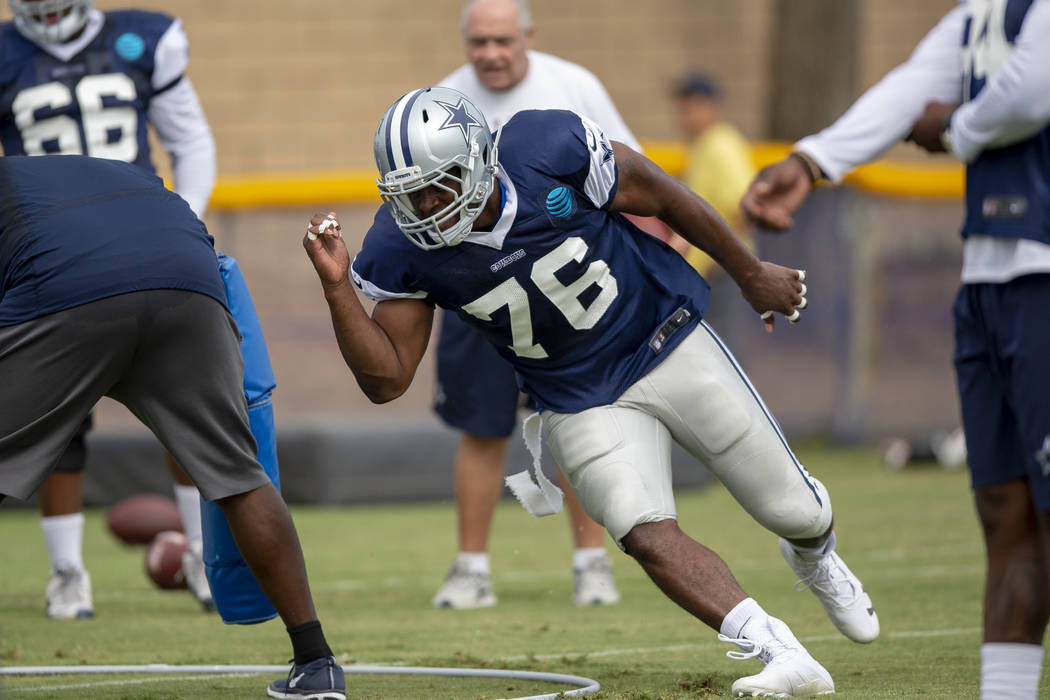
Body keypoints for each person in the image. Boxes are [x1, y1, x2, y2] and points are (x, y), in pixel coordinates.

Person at [304, 86, 880, 696]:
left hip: (665, 338)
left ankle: (815, 551)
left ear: (476, 159)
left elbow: (665, 194)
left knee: (794, 511)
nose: (424, 206)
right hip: (576, 396)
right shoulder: (401, 245)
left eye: (437, 185)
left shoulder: (545, 146)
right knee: (639, 527)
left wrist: (750, 272)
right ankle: (778, 650)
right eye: (408, 193)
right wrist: (338, 289)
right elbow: (389, 379)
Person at [739, 2, 1050, 697]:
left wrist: (958, 128)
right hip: (989, 279)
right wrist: (812, 161)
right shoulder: (982, 11)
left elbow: (1032, 90)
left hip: (1043, 273)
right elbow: (914, 85)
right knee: (1007, 514)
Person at [0, 154, 344, 699]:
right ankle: (316, 661)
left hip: (69, 284)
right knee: (239, 476)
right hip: (187, 279)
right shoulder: (125, 175)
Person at [0, 0, 262, 618]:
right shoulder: (9, 54)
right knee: (55, 413)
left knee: (187, 404)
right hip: (48, 249)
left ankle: (200, 550)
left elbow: (190, 139)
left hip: (143, 235)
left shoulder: (144, 39)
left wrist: (186, 220)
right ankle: (68, 569)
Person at [426, 0, 646, 610]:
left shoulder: (574, 85)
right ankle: (471, 570)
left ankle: (592, 563)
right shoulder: (443, 103)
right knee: (481, 431)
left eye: (502, 40)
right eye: (479, 42)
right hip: (480, 295)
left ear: (528, 36)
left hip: (563, 287)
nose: (490, 53)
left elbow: (629, 169)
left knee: (578, 423)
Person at [672, 72, 756, 278]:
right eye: (684, 107)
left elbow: (746, 207)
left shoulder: (721, 144)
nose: (688, 115)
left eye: (695, 106)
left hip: (725, 269)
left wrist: (722, 255)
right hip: (706, 270)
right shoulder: (702, 145)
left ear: (712, 106)